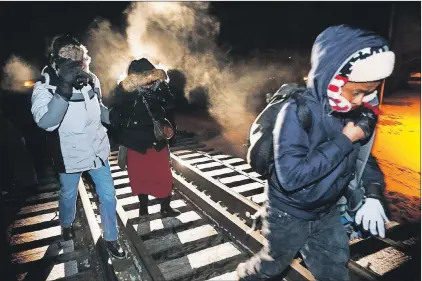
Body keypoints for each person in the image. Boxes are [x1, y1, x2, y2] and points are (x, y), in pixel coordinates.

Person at [237, 25, 394, 281]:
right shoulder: (297, 112)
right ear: (335, 78)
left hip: (327, 210)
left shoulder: (350, 111)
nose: (361, 100)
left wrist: (373, 194)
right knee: (272, 265)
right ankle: (245, 276)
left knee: (334, 265)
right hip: (289, 212)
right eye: (358, 91)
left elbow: (362, 158)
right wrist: (345, 140)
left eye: (370, 91)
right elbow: (292, 177)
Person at [30, 34, 125, 259]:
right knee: (68, 194)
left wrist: (116, 117)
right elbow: (46, 123)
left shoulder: (91, 79)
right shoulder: (45, 86)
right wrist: (63, 88)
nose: (75, 62)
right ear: (56, 60)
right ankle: (66, 223)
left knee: (109, 195)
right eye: (67, 56)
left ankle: (111, 238)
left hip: (96, 149)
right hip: (68, 153)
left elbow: (99, 109)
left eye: (77, 56)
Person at [109, 58, 180, 219]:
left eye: (150, 75)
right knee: (140, 176)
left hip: (157, 140)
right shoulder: (125, 92)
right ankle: (143, 209)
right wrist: (130, 92)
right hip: (135, 141)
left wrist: (160, 87)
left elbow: (170, 105)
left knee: (163, 175)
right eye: (143, 76)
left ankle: (165, 207)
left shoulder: (159, 87)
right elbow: (116, 113)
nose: (147, 80)